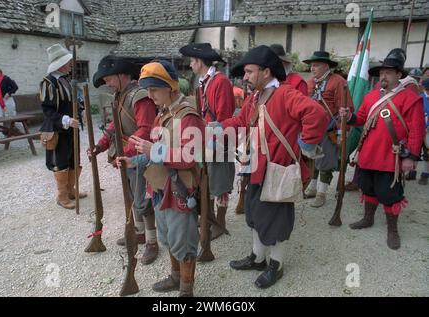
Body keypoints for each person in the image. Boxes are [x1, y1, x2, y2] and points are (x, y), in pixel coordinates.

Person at [220, 45, 327, 289]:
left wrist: (306, 145)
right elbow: (240, 121)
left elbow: (316, 114)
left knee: (277, 222)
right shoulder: (256, 96)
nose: (244, 77)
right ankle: (258, 259)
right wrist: (217, 127)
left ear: (266, 72)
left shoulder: (286, 94)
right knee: (255, 216)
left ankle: (276, 265)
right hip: (256, 168)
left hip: (278, 171)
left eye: (249, 71)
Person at [116, 60, 205, 297]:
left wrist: (152, 151)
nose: (150, 94)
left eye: (154, 89)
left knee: (183, 242)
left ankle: (186, 290)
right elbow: (154, 149)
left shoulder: (188, 116)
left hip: (180, 189)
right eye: (149, 89)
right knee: (168, 238)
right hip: (161, 186)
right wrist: (133, 161)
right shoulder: (164, 113)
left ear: (170, 87)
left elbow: (189, 157)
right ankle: (176, 277)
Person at [339, 48, 425, 250]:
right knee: (367, 188)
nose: (383, 76)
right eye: (381, 73)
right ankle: (368, 218)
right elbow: (360, 119)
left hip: (390, 157)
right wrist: (348, 116)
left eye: (388, 72)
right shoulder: (370, 97)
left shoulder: (411, 99)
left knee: (390, 194)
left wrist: (410, 156)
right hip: (368, 154)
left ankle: (392, 230)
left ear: (398, 75)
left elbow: (416, 130)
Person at [89, 55, 159, 265]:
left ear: (121, 75)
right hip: (128, 156)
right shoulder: (121, 95)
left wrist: (125, 152)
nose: (108, 84)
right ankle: (138, 232)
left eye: (109, 79)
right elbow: (114, 125)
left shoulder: (139, 96)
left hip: (140, 156)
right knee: (132, 197)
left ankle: (152, 242)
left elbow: (145, 130)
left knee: (143, 201)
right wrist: (100, 146)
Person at [179, 43, 235, 240]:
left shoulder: (221, 82)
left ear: (199, 62)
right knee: (206, 180)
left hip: (219, 139)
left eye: (192, 61)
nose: (190, 65)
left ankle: (219, 223)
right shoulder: (203, 82)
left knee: (220, 183)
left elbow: (225, 117)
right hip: (207, 139)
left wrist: (213, 141)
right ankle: (209, 219)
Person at [303, 50, 354, 207]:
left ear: (326, 66)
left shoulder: (338, 81)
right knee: (313, 158)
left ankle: (321, 193)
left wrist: (340, 132)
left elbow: (345, 108)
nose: (312, 69)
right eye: (311, 66)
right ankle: (312, 187)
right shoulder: (310, 82)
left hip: (329, 129)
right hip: (312, 129)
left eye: (316, 65)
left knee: (325, 161)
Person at [39, 44, 87, 209]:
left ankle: (71, 189)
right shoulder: (48, 83)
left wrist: (81, 110)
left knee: (74, 158)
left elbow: (72, 102)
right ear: (60, 64)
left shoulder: (66, 80)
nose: (71, 65)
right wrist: (65, 120)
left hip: (72, 127)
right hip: (57, 129)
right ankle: (62, 196)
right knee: (61, 160)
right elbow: (47, 110)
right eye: (68, 62)